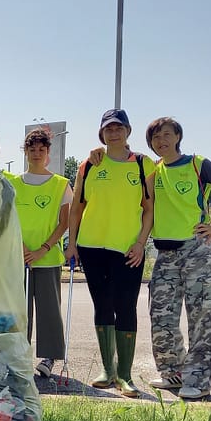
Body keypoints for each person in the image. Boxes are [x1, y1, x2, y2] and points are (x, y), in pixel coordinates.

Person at [144, 117, 211, 400]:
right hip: (165, 254)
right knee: (161, 316)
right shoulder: (153, 171)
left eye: (167, 134)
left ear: (178, 136)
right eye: (155, 137)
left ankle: (199, 381)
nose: (161, 141)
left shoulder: (197, 164)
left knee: (200, 318)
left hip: (196, 251)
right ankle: (173, 373)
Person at [65, 109, 154, 398]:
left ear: (128, 131)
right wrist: (72, 243)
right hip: (91, 247)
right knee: (102, 305)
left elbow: (149, 209)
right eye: (108, 129)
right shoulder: (89, 165)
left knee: (125, 306)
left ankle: (125, 375)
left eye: (118, 128)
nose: (113, 133)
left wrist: (141, 243)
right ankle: (107, 370)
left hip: (128, 249)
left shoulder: (142, 164)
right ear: (101, 133)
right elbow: (76, 208)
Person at [13, 129, 73, 379]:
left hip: (47, 258)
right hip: (18, 258)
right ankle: (18, 356)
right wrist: (21, 247)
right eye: (32, 149)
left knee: (49, 310)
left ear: (48, 152)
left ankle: (49, 357)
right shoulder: (13, 183)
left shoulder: (61, 184)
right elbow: (7, 218)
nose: (36, 154)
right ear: (25, 152)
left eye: (41, 149)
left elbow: (64, 222)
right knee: (19, 311)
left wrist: (42, 249)